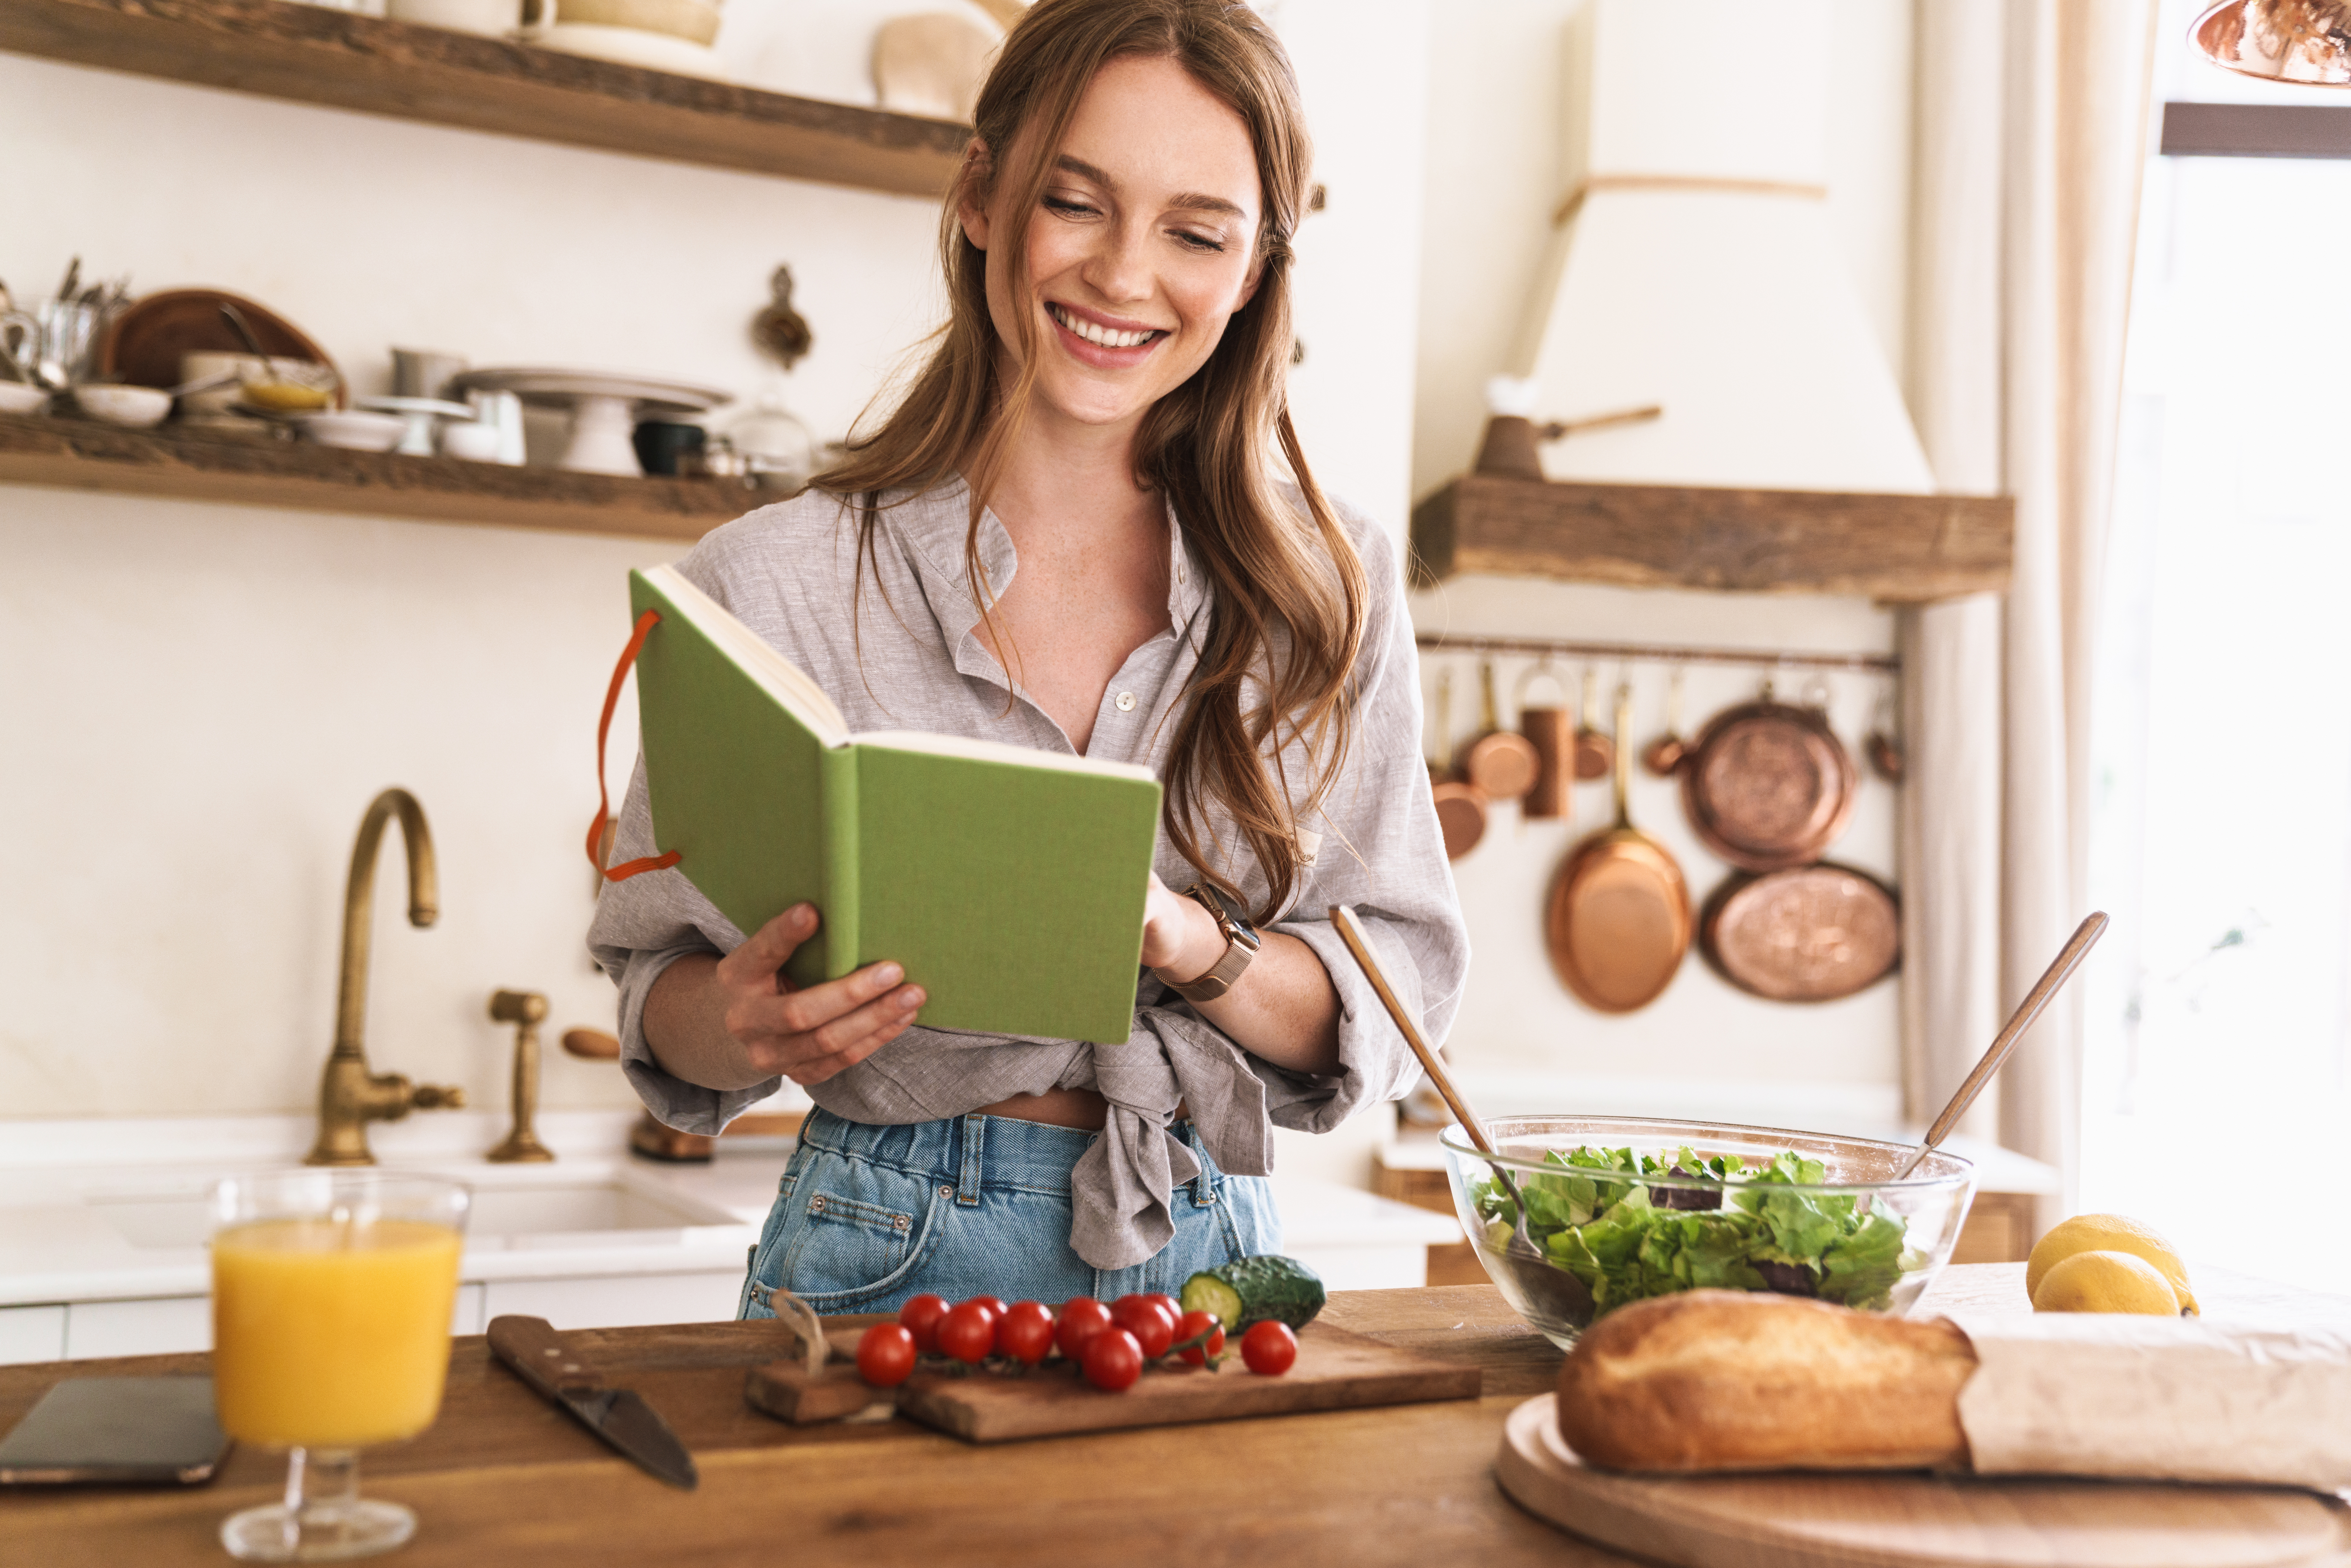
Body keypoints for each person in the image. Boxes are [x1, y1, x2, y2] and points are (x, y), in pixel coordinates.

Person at [588, 0, 1467, 1316]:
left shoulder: (1328, 586)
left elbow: (1393, 1011)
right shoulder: (769, 580)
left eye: (1193, 231)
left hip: (1210, 1252)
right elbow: (661, 989)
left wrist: (1184, 940)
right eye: (1077, 202)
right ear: (984, 196)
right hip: (876, 1241)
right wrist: (746, 1021)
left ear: (1253, 270)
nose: (1123, 275)